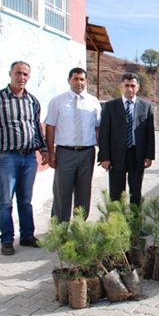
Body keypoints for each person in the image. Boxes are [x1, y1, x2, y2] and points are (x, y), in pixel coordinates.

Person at [0, 61, 48, 255]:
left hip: (29, 158)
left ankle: (27, 236)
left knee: (26, 200)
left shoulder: (33, 101)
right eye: (18, 73)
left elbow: (37, 127)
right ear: (10, 74)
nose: (22, 78)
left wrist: (43, 149)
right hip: (6, 158)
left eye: (25, 75)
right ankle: (6, 240)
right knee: (6, 201)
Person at [45, 67, 101, 222]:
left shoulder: (94, 102)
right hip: (65, 153)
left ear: (86, 81)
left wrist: (103, 152)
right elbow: (50, 127)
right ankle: (60, 230)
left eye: (82, 79)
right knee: (62, 192)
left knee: (84, 192)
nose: (79, 82)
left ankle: (79, 229)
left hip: (87, 153)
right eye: (75, 79)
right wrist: (51, 152)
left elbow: (98, 129)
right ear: (69, 80)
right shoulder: (57, 101)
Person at [98, 73, 155, 206]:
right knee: (116, 193)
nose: (130, 89)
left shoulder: (146, 106)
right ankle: (116, 223)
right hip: (116, 155)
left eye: (133, 86)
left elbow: (149, 134)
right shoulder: (110, 106)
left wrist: (149, 156)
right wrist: (104, 157)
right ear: (121, 87)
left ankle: (135, 223)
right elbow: (104, 133)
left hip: (137, 155)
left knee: (136, 192)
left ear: (138, 87)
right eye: (126, 85)